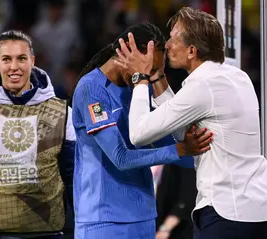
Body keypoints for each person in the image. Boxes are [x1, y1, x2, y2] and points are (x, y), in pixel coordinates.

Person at [114, 7, 267, 239]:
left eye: (173, 37)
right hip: (262, 211)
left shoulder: (202, 86)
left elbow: (139, 133)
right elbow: (181, 127)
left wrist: (140, 78)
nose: (168, 44)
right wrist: (158, 78)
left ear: (192, 50)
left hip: (227, 214)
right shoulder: (238, 76)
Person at [72, 22, 212, 239]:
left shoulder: (140, 89)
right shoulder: (91, 89)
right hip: (103, 220)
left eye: (157, 71)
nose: (151, 77)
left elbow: (183, 158)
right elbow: (121, 158)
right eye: (150, 70)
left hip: (144, 217)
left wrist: (157, 83)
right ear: (125, 53)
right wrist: (180, 149)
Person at [0, 30, 75, 239]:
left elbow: (73, 177)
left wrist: (81, 227)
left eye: (21, 58)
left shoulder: (62, 112)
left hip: (51, 233)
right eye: (7, 59)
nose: (14, 66)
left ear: (32, 61)